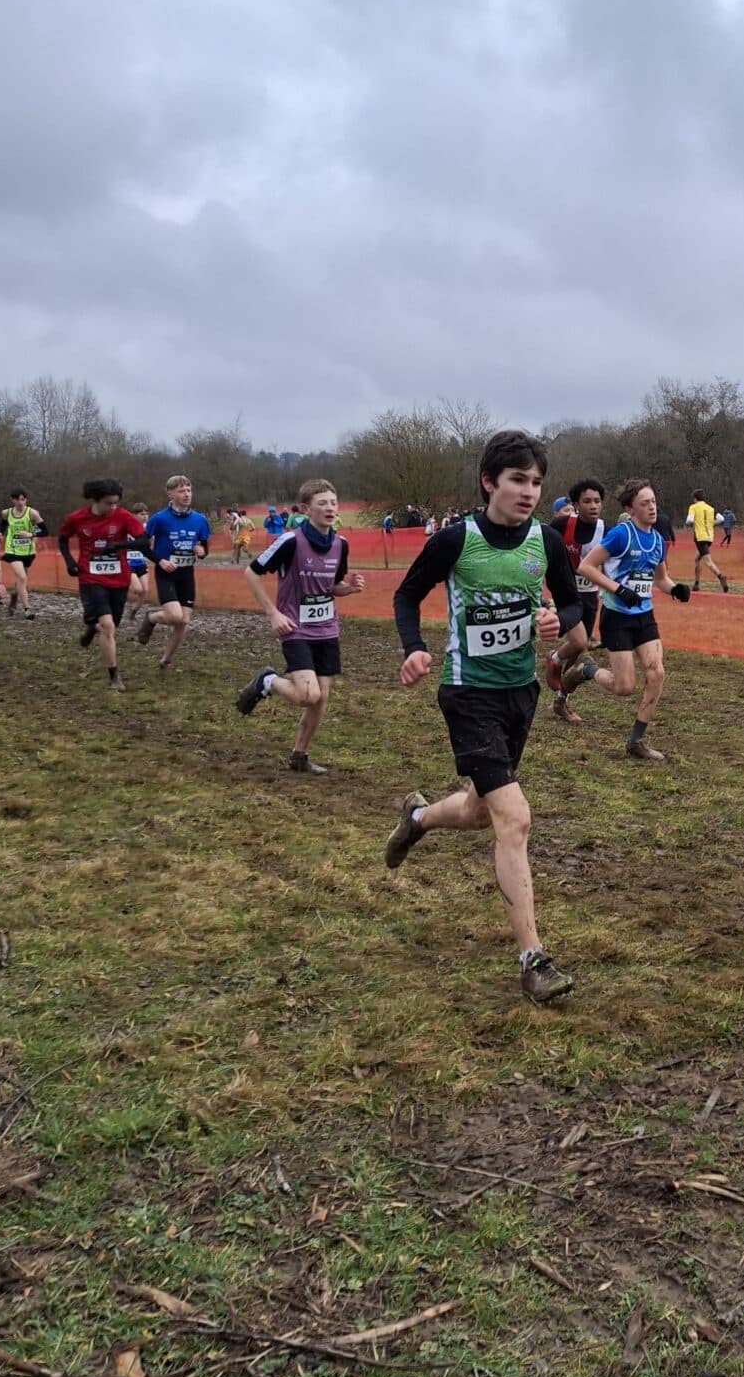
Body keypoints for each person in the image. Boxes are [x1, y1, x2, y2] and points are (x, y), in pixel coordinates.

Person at [381, 429, 588, 1007]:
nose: (529, 492)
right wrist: (412, 648)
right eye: (518, 480)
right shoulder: (456, 540)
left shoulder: (546, 541)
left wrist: (557, 620)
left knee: (480, 810)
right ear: (489, 482)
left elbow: (572, 601)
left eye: (537, 482)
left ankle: (418, 818)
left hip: (520, 693)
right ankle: (533, 960)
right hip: (468, 693)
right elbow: (406, 595)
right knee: (514, 817)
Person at [235, 480, 365, 772]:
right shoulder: (290, 541)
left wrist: (349, 588)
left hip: (327, 629)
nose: (330, 508)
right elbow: (251, 573)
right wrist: (273, 613)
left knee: (321, 699)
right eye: (322, 503)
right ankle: (268, 680)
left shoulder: (340, 544)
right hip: (296, 629)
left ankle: (299, 756)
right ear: (306, 509)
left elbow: (332, 587)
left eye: (333, 502)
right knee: (308, 695)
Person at [556, 478, 690, 760]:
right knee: (624, 687)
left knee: (656, 673)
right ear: (630, 509)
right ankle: (587, 670)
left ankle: (636, 741)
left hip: (644, 616)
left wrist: (675, 589)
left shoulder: (657, 540)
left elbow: (661, 579)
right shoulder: (621, 535)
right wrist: (617, 589)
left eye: (653, 502)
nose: (652, 508)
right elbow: (586, 567)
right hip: (616, 617)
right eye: (645, 503)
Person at [57, 477, 148, 690]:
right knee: (108, 626)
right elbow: (62, 539)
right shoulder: (77, 518)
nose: (113, 507)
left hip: (119, 579)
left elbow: (144, 540)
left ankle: (92, 627)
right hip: (90, 578)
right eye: (109, 503)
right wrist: (69, 562)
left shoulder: (123, 516)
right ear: (96, 500)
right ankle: (114, 676)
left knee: (111, 626)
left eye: (116, 502)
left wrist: (118, 545)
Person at [135, 475, 213, 670]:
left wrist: (202, 552)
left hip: (186, 575)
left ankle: (166, 660)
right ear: (170, 494)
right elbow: (142, 545)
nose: (187, 494)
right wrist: (160, 561)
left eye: (189, 490)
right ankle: (151, 617)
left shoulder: (200, 520)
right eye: (181, 491)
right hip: (166, 574)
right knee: (175, 616)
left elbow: (204, 547)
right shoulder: (159, 519)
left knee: (183, 621)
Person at [546, 477, 606, 723]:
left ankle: (561, 700)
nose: (593, 506)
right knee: (578, 641)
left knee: (578, 649)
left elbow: (612, 561)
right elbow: (543, 549)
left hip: (590, 595)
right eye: (587, 501)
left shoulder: (605, 529)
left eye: (597, 501)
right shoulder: (562, 524)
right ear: (576, 505)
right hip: (567, 594)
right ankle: (555, 660)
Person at [0, 490, 42, 617]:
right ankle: (27, 609)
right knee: (22, 577)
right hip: (12, 550)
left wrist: (31, 534)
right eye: (17, 499)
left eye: (23, 499)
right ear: (12, 500)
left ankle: (14, 596)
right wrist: (1, 532)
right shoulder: (6, 513)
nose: (20, 502)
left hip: (28, 551)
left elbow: (44, 530)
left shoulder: (32, 513)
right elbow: (4, 523)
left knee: (21, 581)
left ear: (26, 500)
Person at [684, 491, 730, 593]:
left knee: (708, 562)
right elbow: (721, 519)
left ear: (695, 498)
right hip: (709, 537)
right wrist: (711, 523)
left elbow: (689, 520)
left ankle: (721, 576)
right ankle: (696, 584)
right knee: (697, 559)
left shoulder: (693, 507)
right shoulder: (710, 508)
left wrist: (693, 523)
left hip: (700, 537)